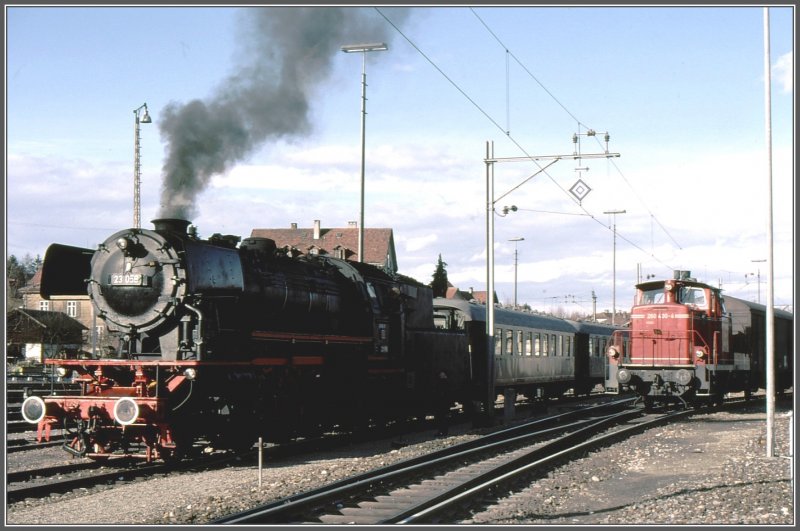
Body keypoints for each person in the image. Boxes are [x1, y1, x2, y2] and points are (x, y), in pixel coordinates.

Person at [436, 370, 450, 436]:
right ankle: (443, 431)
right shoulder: (446, 382)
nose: (441, 375)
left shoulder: (443, 382)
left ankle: (442, 431)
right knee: (443, 417)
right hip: (443, 402)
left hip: (442, 403)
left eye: (442, 374)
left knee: (442, 417)